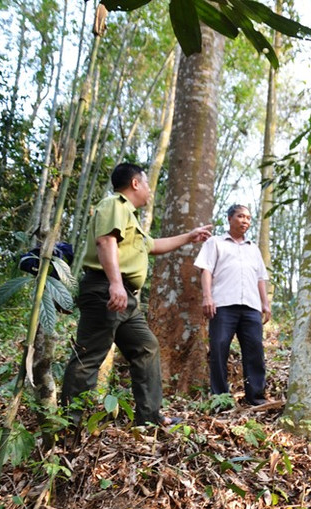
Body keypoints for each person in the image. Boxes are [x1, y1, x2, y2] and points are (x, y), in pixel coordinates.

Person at [61, 162, 212, 428]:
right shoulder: (114, 205)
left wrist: (189, 237)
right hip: (106, 290)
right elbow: (105, 241)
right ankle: (68, 425)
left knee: (146, 347)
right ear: (134, 183)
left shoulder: (130, 218)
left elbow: (153, 245)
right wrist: (115, 283)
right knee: (90, 355)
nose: (149, 190)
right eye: (146, 184)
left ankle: (149, 417)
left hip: (125, 299)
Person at [194, 204, 272, 406]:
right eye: (240, 216)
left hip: (251, 307)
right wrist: (207, 296)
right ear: (230, 219)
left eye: (248, 218)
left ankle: (256, 397)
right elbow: (206, 270)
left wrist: (265, 304)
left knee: (255, 351)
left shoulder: (253, 248)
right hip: (223, 305)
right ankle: (220, 399)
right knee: (219, 349)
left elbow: (260, 278)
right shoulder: (215, 242)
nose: (245, 221)